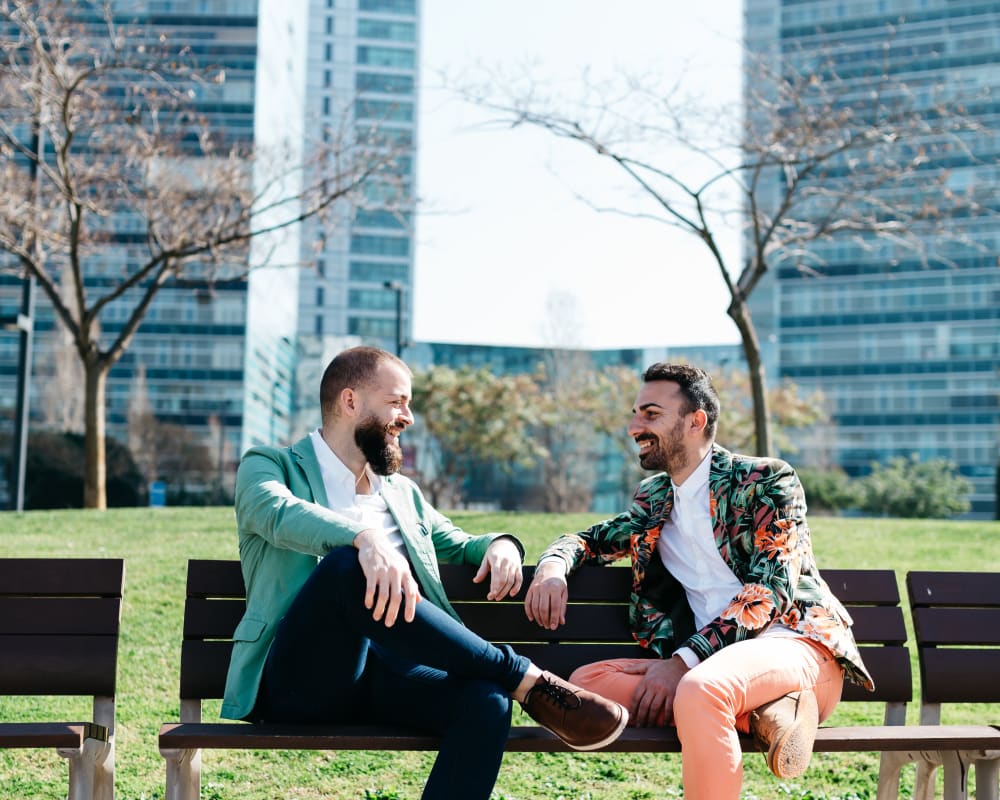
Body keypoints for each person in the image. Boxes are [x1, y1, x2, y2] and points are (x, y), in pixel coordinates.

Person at [221, 346, 627, 800]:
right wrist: (365, 538)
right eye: (398, 402)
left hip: (393, 676)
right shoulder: (269, 466)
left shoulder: (400, 493)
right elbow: (275, 512)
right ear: (350, 401)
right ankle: (523, 677)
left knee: (486, 702)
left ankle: (510, 683)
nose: (408, 418)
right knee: (346, 566)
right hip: (306, 679)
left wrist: (501, 544)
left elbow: (456, 541)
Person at [524, 363, 873, 800]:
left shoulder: (766, 481)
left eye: (650, 414)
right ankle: (769, 713)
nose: (634, 426)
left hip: (796, 646)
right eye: (635, 413)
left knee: (700, 689)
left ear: (696, 421)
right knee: (590, 683)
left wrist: (682, 663)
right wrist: (553, 567)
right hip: (716, 668)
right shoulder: (654, 498)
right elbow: (589, 541)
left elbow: (770, 591)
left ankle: (757, 700)